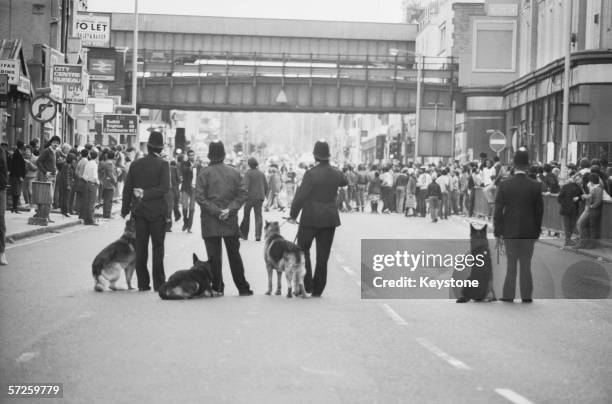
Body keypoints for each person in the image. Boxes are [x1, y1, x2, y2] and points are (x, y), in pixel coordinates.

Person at [289, 140, 348, 297]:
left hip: (310, 218)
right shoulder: (336, 173)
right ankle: (318, 289)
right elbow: (345, 181)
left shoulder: (311, 174)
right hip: (329, 218)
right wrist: (335, 167)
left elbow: (300, 196)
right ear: (328, 155)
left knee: (303, 250)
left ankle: (307, 283)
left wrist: (293, 214)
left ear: (315, 155)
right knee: (323, 255)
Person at [195, 140, 253, 296]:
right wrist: (230, 209)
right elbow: (243, 194)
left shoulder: (204, 173)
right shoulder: (234, 172)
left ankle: (217, 287)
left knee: (214, 257)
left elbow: (200, 197)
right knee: (234, 256)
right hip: (230, 220)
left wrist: (216, 211)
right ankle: (243, 287)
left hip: (210, 221)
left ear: (209, 155)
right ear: (223, 155)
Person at [121, 131, 170, 292]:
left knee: (141, 248)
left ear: (148, 147)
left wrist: (124, 209)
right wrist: (148, 193)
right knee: (158, 248)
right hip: (157, 214)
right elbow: (164, 188)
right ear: (161, 148)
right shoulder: (164, 164)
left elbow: (127, 189)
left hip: (139, 212)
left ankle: (143, 283)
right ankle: (159, 283)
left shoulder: (135, 164)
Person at [494, 147, 543, 303]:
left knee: (511, 265)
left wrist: (497, 232)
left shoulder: (504, 185)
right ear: (528, 165)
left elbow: (498, 211)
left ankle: (508, 295)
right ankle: (526, 296)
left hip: (509, 232)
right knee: (526, 265)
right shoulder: (535, 186)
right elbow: (539, 212)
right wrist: (536, 232)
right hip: (529, 233)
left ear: (513, 164)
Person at [240, 157, 268, 241]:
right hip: (259, 198)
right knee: (258, 216)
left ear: (249, 165)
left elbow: (245, 186)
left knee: (246, 216)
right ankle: (258, 235)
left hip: (250, 198)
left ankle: (244, 234)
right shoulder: (261, 173)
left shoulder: (248, 173)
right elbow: (266, 186)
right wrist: (264, 195)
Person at [34, 135, 61, 221]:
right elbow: (38, 162)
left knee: (50, 198)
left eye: (57, 143)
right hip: (47, 178)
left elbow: (53, 164)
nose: (55, 144)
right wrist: (45, 172)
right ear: (51, 142)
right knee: (47, 197)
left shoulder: (55, 152)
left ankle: (47, 215)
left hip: (53, 177)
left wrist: (56, 169)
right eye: (54, 142)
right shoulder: (47, 151)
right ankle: (44, 216)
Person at [557, 173, 583, 247]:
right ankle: (567, 240)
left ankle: (567, 240)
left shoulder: (579, 188)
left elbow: (559, 198)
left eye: (579, 179)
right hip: (569, 209)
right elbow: (559, 198)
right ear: (574, 179)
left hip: (568, 209)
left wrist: (578, 198)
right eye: (577, 179)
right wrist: (566, 204)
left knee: (569, 226)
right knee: (569, 226)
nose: (578, 180)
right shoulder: (568, 186)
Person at [179, 149, 199, 233]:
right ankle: (185, 222)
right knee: (185, 208)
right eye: (190, 155)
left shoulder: (198, 166)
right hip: (186, 188)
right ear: (188, 156)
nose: (192, 156)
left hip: (194, 189)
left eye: (193, 155)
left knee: (192, 208)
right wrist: (192, 166)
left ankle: (189, 227)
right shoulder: (184, 164)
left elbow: (201, 177)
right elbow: (185, 170)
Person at [81, 149, 100, 225]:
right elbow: (95, 177)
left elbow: (84, 175)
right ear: (96, 157)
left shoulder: (87, 163)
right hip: (93, 184)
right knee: (92, 203)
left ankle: (86, 219)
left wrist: (87, 179)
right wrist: (98, 182)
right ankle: (91, 220)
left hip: (87, 183)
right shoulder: (95, 164)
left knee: (87, 202)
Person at [99, 150, 117, 219]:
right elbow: (111, 174)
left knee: (107, 199)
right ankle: (107, 214)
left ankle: (106, 213)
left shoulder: (107, 162)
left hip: (106, 183)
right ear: (114, 156)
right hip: (109, 184)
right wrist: (114, 182)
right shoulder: (110, 163)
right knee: (108, 200)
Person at [9, 141, 26, 213]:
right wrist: (20, 176)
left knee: (16, 192)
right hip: (16, 176)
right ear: (21, 146)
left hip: (16, 176)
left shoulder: (18, 153)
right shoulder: (17, 154)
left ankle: (14, 207)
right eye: (23, 145)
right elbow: (17, 166)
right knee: (16, 192)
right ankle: (15, 208)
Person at [0, 145, 8, 265]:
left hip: (0, 188)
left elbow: (4, 170)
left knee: (0, 221)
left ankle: (1, 252)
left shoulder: (1, 151)